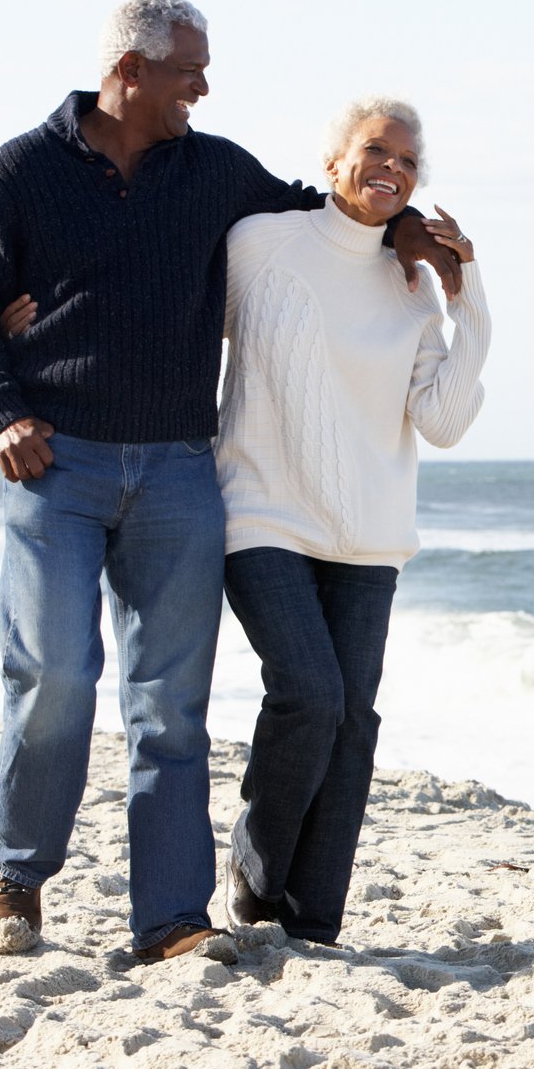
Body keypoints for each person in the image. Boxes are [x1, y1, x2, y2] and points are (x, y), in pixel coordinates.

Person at [0, 0, 459, 962]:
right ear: (131, 71)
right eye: (191, 72)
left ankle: (171, 919)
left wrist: (405, 233)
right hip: (59, 462)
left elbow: (324, 211)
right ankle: (15, 875)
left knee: (169, 704)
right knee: (56, 674)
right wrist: (2, 410)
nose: (205, 89)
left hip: (180, 470)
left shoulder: (215, 172)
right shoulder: (19, 170)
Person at [218, 97, 488, 943]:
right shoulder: (261, 243)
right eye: (377, 150)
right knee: (309, 695)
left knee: (354, 721)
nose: (393, 168)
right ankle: (257, 879)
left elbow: (442, 422)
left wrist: (466, 296)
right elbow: (182, 323)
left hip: (368, 535)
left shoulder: (410, 287)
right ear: (334, 160)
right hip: (261, 510)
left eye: (409, 162)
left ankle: (312, 920)